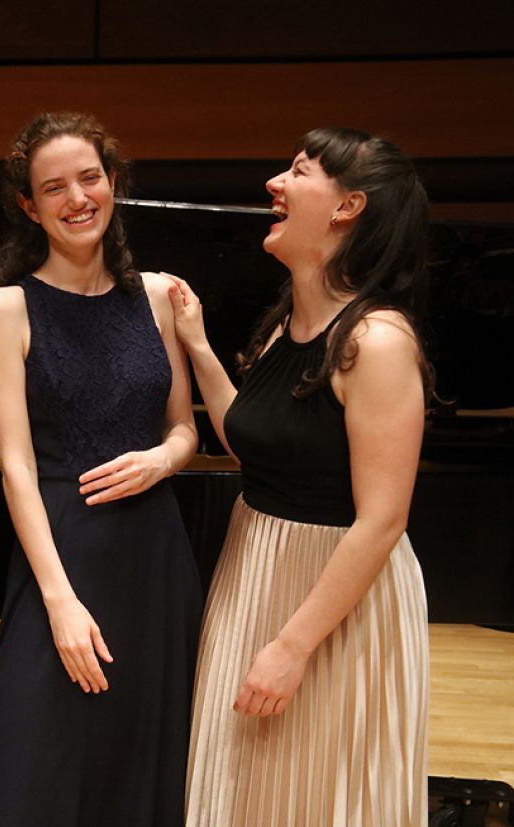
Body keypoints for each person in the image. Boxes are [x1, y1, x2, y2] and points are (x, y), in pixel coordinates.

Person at [173, 127, 431, 826]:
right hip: (253, 563)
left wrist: (291, 646)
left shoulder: (376, 342)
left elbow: (382, 518)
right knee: (243, 788)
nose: (274, 185)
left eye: (297, 171)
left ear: (348, 206)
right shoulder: (284, 324)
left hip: (329, 603)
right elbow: (252, 445)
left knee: (320, 790)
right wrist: (196, 345)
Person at [0, 111, 203, 825]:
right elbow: (14, 467)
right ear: (28, 206)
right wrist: (59, 600)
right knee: (35, 769)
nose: (77, 198)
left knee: (141, 769)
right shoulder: (4, 308)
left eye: (90, 178)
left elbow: (185, 427)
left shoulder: (162, 296)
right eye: (54, 187)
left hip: (155, 558)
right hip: (62, 555)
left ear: (113, 183)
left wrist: (164, 458)